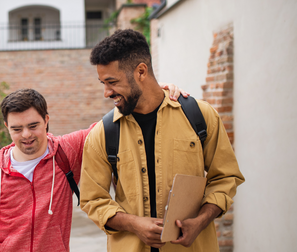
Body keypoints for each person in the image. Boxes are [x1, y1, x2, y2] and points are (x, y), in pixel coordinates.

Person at [0, 86, 185, 251]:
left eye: (33, 125)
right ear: (7, 127)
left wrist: (156, 93)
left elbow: (111, 121)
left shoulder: (66, 151)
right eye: (17, 129)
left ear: (46, 120)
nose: (26, 135)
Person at [79, 29, 245, 252]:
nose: (107, 93)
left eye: (112, 82)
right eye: (103, 83)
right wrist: (134, 224)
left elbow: (225, 178)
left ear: (141, 71)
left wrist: (200, 221)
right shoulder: (102, 134)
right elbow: (92, 200)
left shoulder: (200, 116)